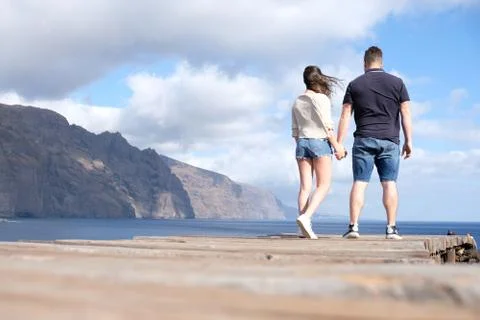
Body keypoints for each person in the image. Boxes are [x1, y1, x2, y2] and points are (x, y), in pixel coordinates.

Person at [336, 46, 413, 240]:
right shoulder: (398, 83)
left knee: (359, 183)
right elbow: (406, 113)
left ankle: (353, 228)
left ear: (364, 63)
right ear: (382, 62)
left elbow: (345, 114)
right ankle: (391, 229)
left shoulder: (355, 84)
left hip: (363, 139)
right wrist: (409, 140)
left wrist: (339, 143)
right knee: (389, 184)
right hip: (390, 140)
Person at [292, 65, 346, 239]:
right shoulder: (321, 99)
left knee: (304, 188)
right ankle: (306, 218)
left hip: (301, 143)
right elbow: (327, 126)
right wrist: (337, 145)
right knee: (324, 185)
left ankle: (302, 229)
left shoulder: (297, 101)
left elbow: (295, 131)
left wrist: (302, 142)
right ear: (319, 78)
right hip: (319, 142)